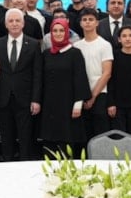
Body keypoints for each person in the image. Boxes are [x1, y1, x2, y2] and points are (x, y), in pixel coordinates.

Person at [0, 9, 42, 161]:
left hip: (26, 100)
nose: (14, 24)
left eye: (17, 21)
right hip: (3, 98)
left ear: (23, 23)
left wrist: (36, 99)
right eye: (11, 21)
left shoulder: (33, 44)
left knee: (26, 138)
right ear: (6, 24)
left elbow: (37, 74)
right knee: (6, 138)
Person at [38, 18, 91, 155]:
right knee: (49, 144)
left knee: (66, 143)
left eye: (61, 30)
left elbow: (80, 78)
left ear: (67, 32)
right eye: (55, 31)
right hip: (49, 106)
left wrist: (78, 104)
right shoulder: (46, 54)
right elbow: (40, 80)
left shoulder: (75, 53)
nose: (58, 33)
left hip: (68, 105)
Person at [73, 9, 113, 139]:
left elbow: (107, 73)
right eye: (84, 20)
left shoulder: (105, 45)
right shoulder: (76, 46)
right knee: (83, 133)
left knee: (100, 133)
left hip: (100, 94)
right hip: (81, 95)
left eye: (91, 19)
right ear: (80, 23)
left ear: (97, 23)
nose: (87, 22)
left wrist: (93, 96)